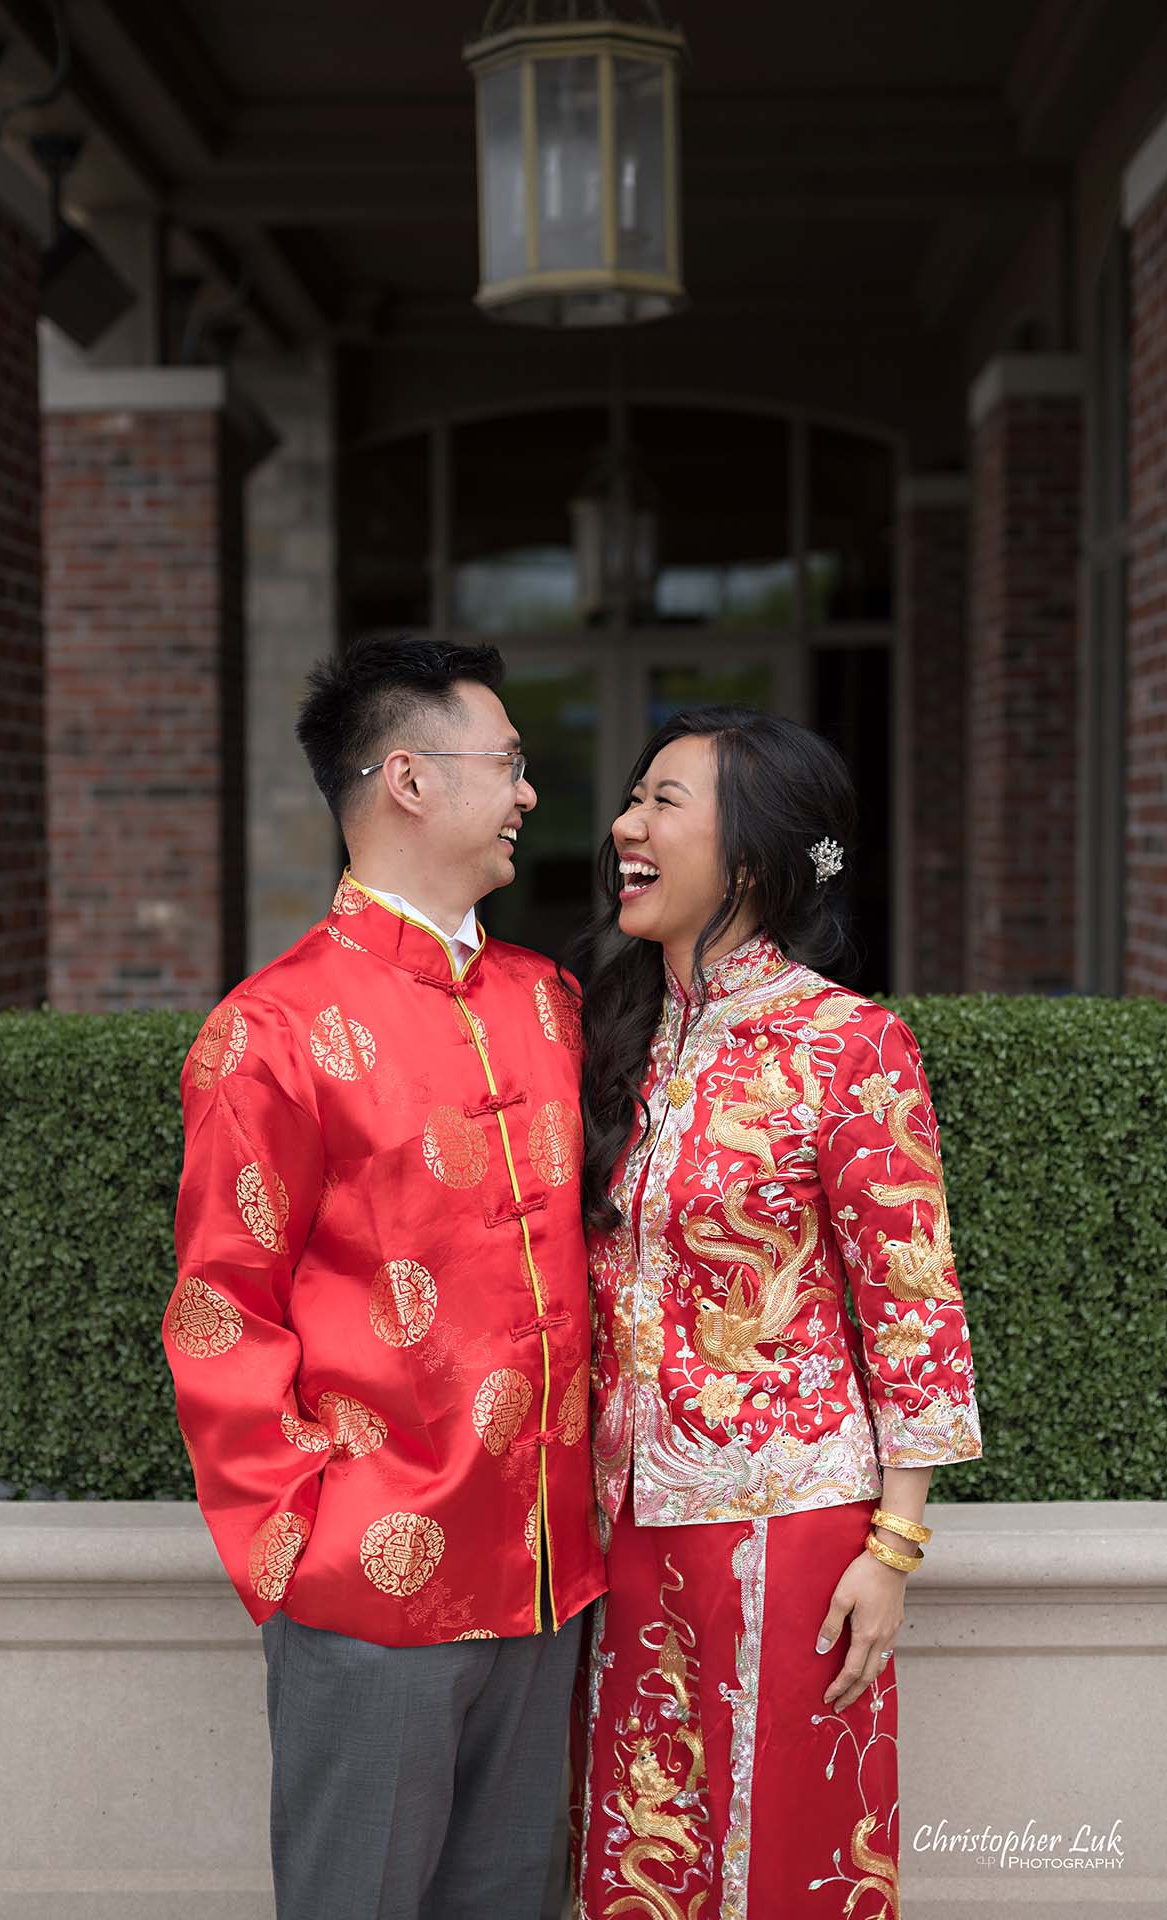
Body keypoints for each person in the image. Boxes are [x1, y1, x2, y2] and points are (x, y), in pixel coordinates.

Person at [163, 635, 605, 1920]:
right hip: (370, 1586)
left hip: (544, 1580)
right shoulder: (272, 1030)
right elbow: (218, 1310)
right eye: (508, 763)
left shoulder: (549, 1004)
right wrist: (305, 1540)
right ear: (408, 779)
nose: (528, 793)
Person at [570, 707, 982, 1920]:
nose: (624, 828)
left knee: (782, 1854)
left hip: (790, 1528)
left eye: (660, 803)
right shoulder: (615, 1032)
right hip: (625, 1521)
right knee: (642, 1853)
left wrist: (892, 1550)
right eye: (632, 800)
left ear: (749, 859)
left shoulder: (851, 1046)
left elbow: (913, 1306)